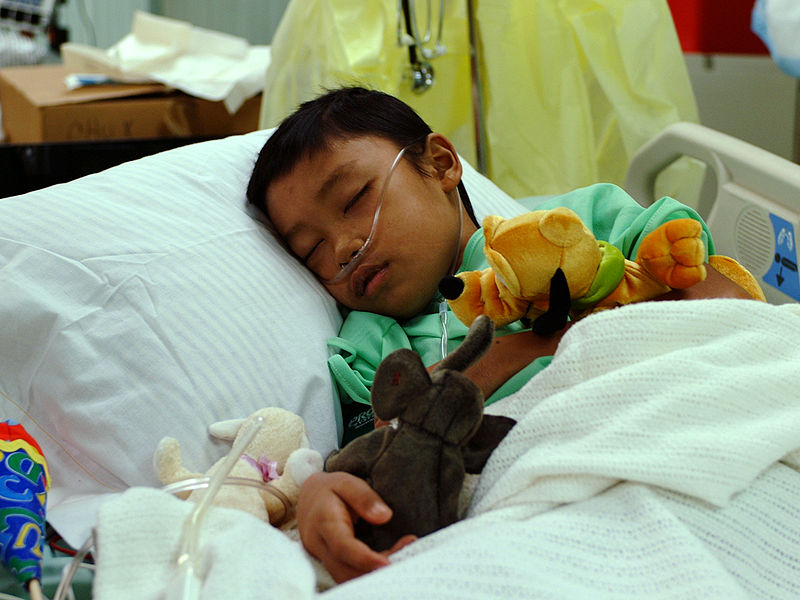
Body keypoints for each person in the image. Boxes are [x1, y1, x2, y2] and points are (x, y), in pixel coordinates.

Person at [246, 86, 752, 583]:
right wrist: (318, 493)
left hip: (692, 442)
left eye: (355, 198)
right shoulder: (372, 347)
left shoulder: (573, 226)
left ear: (441, 164)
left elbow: (725, 306)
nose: (342, 247)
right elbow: (384, 462)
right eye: (311, 249)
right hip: (540, 522)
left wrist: (522, 350)